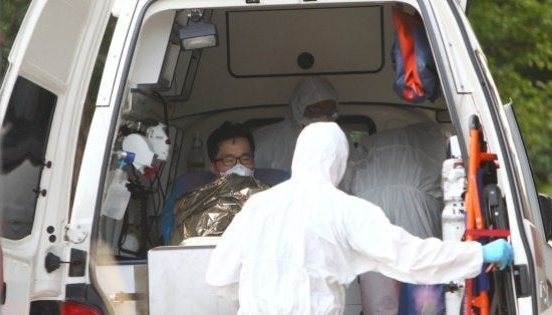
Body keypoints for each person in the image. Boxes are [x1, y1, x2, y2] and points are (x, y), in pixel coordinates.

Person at [205, 122, 513, 314]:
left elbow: (219, 278)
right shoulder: (345, 210)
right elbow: (410, 258)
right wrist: (479, 253)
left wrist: (259, 300)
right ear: (340, 160)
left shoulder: (258, 206)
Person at [340, 122, 449, 314]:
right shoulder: (439, 139)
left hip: (369, 200)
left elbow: (347, 182)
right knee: (420, 272)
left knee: (377, 277)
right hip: (416, 200)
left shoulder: (371, 143)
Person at [160, 121, 271, 245]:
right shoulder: (195, 203)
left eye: (246, 158)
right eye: (229, 160)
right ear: (213, 167)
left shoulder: (271, 197)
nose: (239, 166)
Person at [253, 76, 339, 172]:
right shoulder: (267, 142)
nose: (323, 118)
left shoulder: (341, 142)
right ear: (298, 109)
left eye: (329, 112)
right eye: (316, 111)